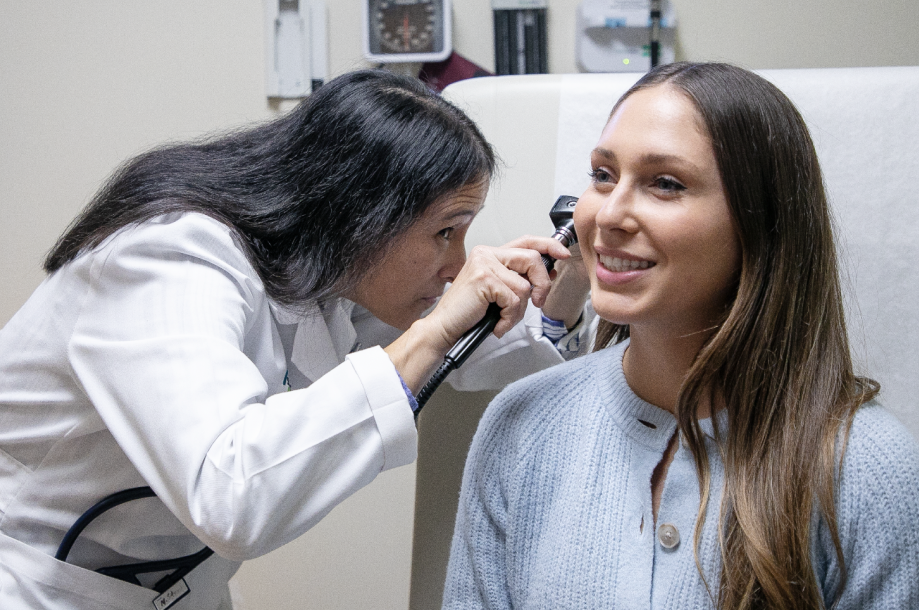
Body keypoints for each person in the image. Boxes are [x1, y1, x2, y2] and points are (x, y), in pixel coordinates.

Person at [0, 70, 593, 609]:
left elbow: (472, 359)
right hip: (35, 584)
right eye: (445, 231)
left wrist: (566, 288)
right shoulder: (169, 258)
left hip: (171, 589)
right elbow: (229, 496)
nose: (455, 264)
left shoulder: (327, 280)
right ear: (361, 214)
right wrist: (434, 331)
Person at [443, 62, 919, 609]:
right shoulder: (522, 428)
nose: (610, 215)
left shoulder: (872, 476)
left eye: (665, 183)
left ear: (759, 224)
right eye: (602, 175)